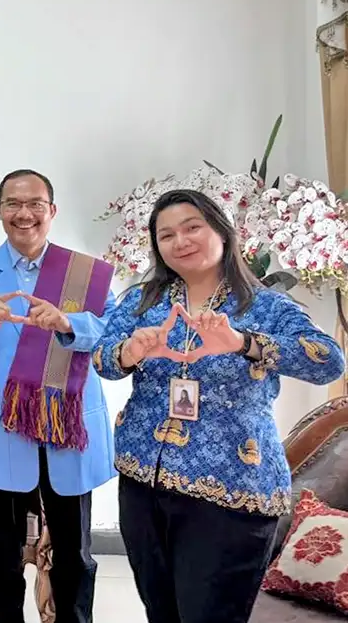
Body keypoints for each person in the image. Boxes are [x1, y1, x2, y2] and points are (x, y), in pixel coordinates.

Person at [93, 189, 345, 623]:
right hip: (143, 483)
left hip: (231, 491)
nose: (180, 241)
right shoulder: (142, 301)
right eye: (166, 235)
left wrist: (243, 343)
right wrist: (129, 352)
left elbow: (328, 361)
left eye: (192, 227)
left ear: (223, 233)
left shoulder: (264, 305)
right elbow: (102, 359)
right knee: (161, 612)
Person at [0, 169, 117, 623]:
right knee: (1, 555)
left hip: (67, 429)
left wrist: (68, 323)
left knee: (75, 554)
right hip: (3, 428)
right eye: (13, 204)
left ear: (52, 210)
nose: (24, 213)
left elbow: (113, 332)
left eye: (35, 204)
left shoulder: (84, 272)